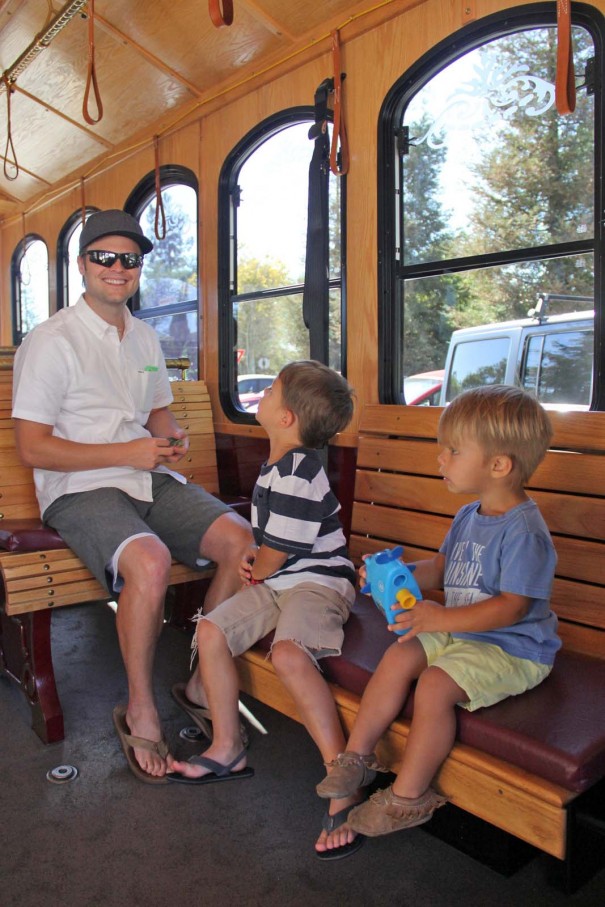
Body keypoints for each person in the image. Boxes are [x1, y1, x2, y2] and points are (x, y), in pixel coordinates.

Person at [11, 209, 253, 784]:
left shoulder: (144, 336)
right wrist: (130, 453)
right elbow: (33, 448)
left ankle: (198, 678)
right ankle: (140, 704)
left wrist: (168, 435)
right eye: (104, 258)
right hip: (80, 488)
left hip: (148, 477)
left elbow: (154, 411)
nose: (117, 269)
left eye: (129, 260)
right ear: (82, 265)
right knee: (149, 561)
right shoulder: (51, 342)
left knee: (240, 541)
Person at [314, 384, 560, 857]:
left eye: (452, 451)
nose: (441, 459)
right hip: (463, 631)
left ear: (499, 465)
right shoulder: (471, 514)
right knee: (400, 653)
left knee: (434, 685)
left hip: (512, 647)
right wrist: (395, 575)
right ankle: (358, 757)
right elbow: (443, 568)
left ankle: (409, 797)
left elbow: (513, 608)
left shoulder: (525, 531)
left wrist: (440, 617)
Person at [169, 361, 360, 858]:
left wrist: (258, 565)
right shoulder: (279, 465)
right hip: (283, 578)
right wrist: (260, 562)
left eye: (271, 390)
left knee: (290, 656)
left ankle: (342, 777)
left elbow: (281, 550)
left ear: (287, 417)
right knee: (211, 631)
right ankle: (228, 746)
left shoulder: (300, 471)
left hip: (319, 583)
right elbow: (274, 548)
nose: (264, 393)